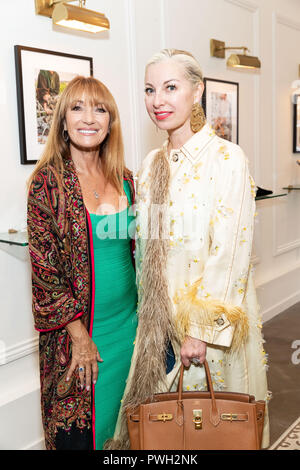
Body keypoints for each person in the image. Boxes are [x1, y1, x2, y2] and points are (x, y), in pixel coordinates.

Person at [106, 49, 270, 449]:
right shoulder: (150, 164)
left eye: (170, 87)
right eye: (149, 89)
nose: (157, 100)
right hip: (158, 327)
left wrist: (199, 332)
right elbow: (147, 247)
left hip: (208, 332)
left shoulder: (227, 159)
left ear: (196, 92)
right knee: (162, 430)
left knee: (215, 426)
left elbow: (231, 251)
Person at [27, 75, 137, 450]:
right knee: (79, 436)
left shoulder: (126, 179)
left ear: (110, 122)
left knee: (129, 431)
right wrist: (80, 339)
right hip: (78, 337)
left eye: (99, 109)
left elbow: (141, 254)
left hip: (130, 328)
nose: (89, 118)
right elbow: (46, 274)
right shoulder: (47, 184)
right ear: (62, 120)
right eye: (77, 108)